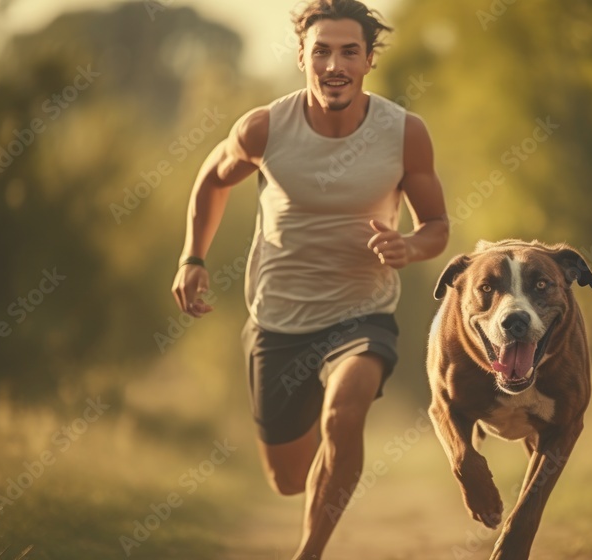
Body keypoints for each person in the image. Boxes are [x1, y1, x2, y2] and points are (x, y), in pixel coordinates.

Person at [170, 1, 448, 557]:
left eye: (349, 51)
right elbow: (211, 179)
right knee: (289, 479)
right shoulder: (265, 127)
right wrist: (192, 258)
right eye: (321, 50)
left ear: (369, 59)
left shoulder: (404, 133)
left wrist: (408, 246)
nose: (334, 63)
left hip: (362, 313)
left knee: (345, 413)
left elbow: (436, 227)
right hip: (278, 319)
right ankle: (326, 451)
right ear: (302, 56)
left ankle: (309, 551)